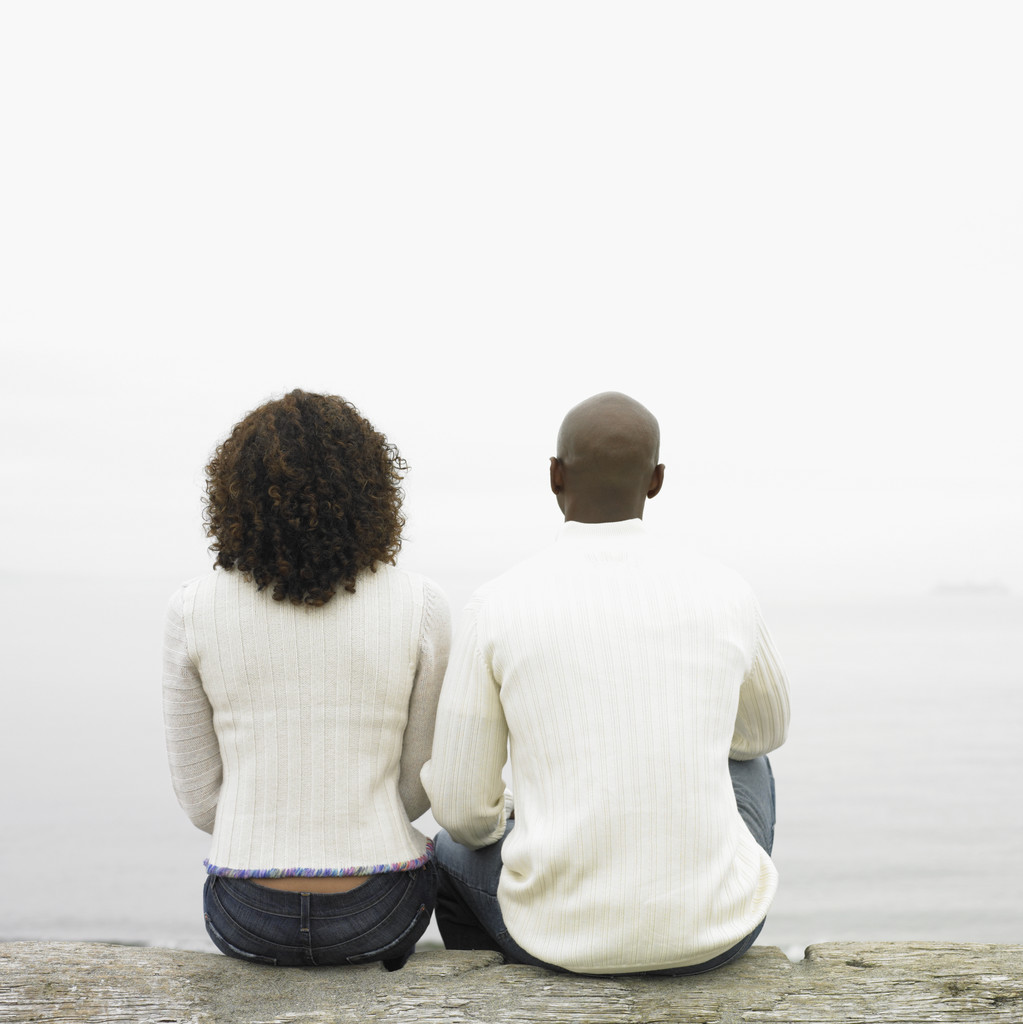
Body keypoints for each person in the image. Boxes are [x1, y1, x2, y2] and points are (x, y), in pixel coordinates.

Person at [422, 391, 790, 975]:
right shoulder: (726, 591)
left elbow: (464, 811)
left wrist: (516, 821)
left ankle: (499, 993)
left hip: (558, 941)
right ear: (657, 481)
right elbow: (767, 732)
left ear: (554, 475)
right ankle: (703, 888)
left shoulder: (497, 605)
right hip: (716, 936)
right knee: (750, 762)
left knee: (447, 854)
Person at [162, 389, 450, 969]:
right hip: (380, 910)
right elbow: (419, 788)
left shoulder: (191, 609)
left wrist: (273, 828)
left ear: (233, 495)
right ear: (371, 491)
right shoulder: (421, 604)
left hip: (244, 912)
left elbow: (201, 803)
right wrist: (351, 822)